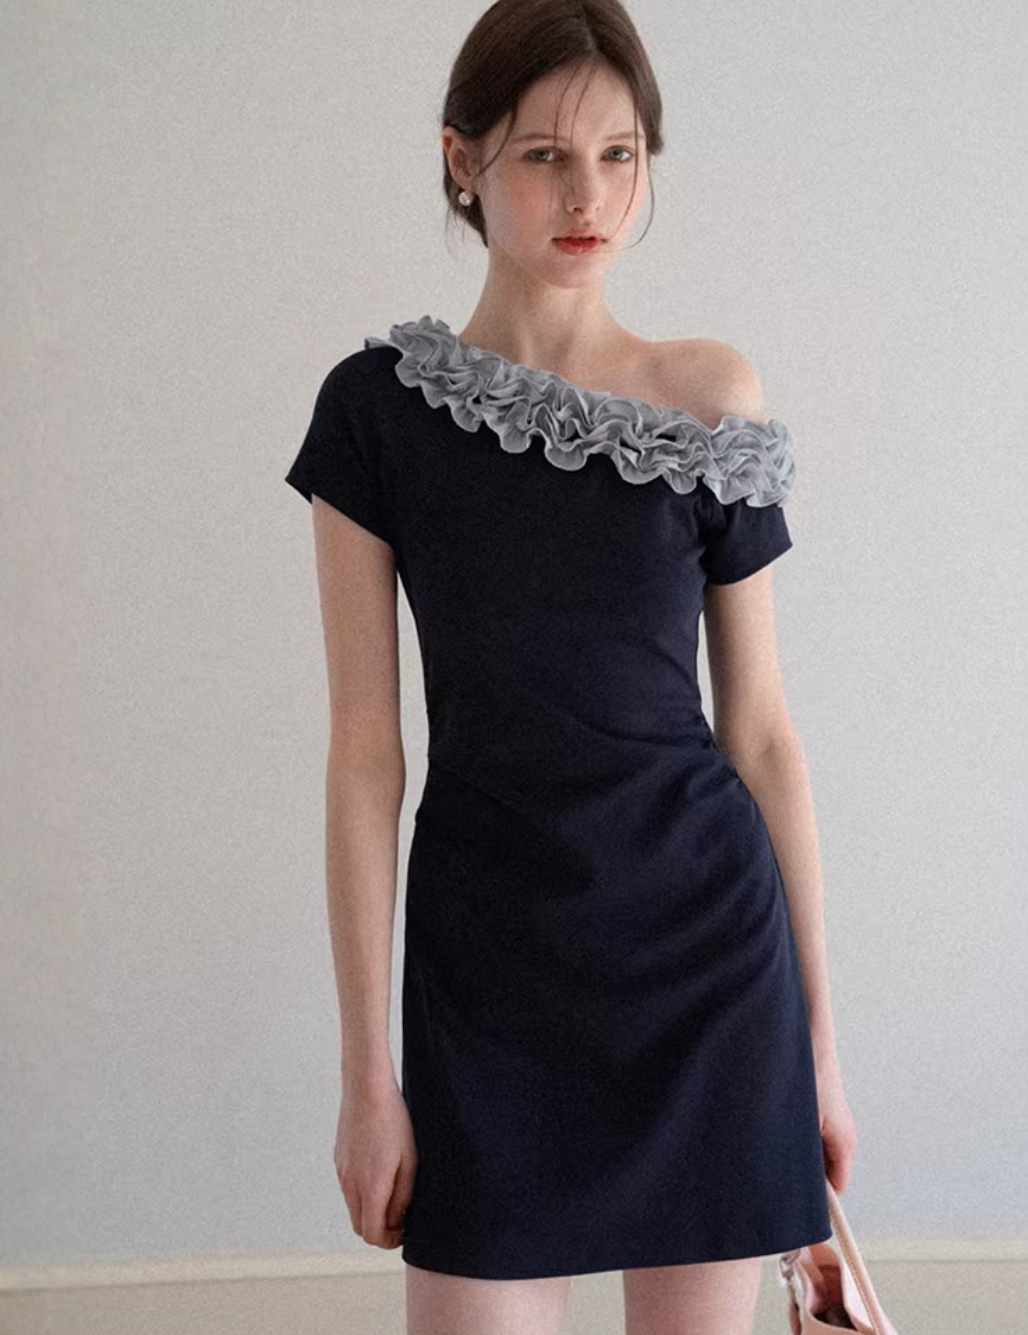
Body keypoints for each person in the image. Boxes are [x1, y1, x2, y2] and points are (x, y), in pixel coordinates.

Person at [284, 2, 857, 1332]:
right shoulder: (374, 411)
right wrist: (368, 1075)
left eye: (619, 155)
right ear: (462, 160)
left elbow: (763, 735)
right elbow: (366, 755)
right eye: (544, 155)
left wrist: (821, 1049)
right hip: (488, 976)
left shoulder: (708, 396)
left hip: (708, 972)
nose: (589, 195)